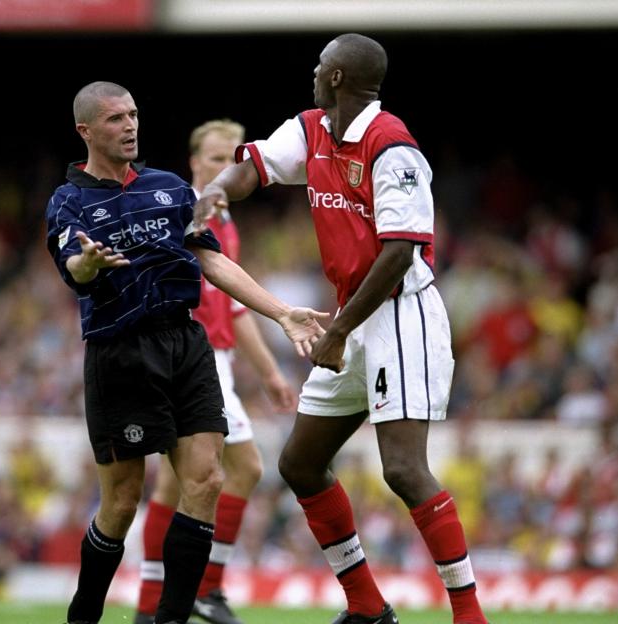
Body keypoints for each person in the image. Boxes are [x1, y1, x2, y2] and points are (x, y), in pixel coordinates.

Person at [193, 34, 489, 624]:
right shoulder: (313, 130)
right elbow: (253, 169)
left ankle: (469, 614)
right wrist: (215, 194)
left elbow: (400, 252)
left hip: (400, 314)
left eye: (320, 64)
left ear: (336, 77)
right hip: (352, 317)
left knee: (403, 469)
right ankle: (367, 606)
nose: (313, 70)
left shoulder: (392, 146)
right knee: (300, 463)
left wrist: (336, 332)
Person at [46, 81, 328, 624]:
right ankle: (83, 616)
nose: (130, 126)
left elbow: (212, 261)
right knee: (122, 502)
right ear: (86, 131)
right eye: (115, 119)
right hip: (120, 352)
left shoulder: (169, 188)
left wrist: (281, 312)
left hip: (185, 342)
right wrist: (88, 265)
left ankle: (171, 618)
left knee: (208, 480)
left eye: (133, 115)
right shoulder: (69, 201)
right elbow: (73, 269)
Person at [133, 120, 296, 624]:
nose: (226, 168)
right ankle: (207, 588)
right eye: (216, 158)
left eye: (234, 160)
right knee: (244, 468)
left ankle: (149, 607)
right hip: (192, 359)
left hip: (210, 358)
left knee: (172, 486)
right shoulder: (183, 211)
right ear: (194, 162)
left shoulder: (224, 223)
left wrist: (269, 372)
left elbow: (235, 309)